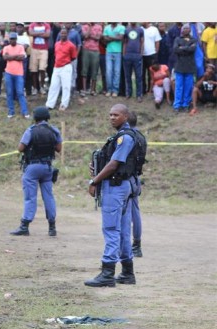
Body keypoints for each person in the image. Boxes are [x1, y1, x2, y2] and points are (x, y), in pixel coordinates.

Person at [85, 104, 139, 287]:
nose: (112, 118)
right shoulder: (123, 136)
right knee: (122, 230)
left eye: (116, 115)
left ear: (125, 116)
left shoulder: (125, 137)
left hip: (116, 187)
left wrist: (94, 181)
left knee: (111, 229)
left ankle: (107, 273)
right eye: (110, 115)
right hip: (122, 186)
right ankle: (127, 272)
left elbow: (114, 164)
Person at [10, 106, 62, 237]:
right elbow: (58, 148)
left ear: (35, 118)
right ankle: (52, 227)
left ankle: (25, 225)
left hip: (32, 167)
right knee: (48, 197)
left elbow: (20, 148)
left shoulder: (31, 130)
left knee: (30, 197)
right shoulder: (54, 130)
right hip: (47, 167)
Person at [45, 28, 78, 112]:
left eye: (65, 33)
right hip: (56, 67)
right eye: (62, 33)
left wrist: (65, 62)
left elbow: (73, 57)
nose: (63, 35)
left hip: (66, 67)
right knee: (53, 86)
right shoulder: (57, 44)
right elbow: (56, 55)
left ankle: (64, 104)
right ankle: (50, 104)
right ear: (60, 34)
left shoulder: (71, 45)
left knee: (66, 86)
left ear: (67, 34)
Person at [126, 111, 143, 258]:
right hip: (136, 177)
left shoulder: (127, 137)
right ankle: (136, 244)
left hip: (126, 179)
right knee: (135, 212)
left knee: (126, 212)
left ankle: (130, 245)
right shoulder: (141, 136)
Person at [2, 32, 30, 119]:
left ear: (16, 39)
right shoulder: (6, 47)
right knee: (9, 93)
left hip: (19, 73)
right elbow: (5, 58)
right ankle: (11, 111)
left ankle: (25, 112)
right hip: (8, 73)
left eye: (14, 39)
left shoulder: (20, 47)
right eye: (11, 39)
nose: (12, 40)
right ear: (9, 39)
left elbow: (22, 57)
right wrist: (16, 56)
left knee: (20, 93)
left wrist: (11, 57)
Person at [173, 24, 197, 113]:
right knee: (179, 87)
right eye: (184, 28)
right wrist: (187, 48)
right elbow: (175, 49)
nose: (186, 30)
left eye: (188, 28)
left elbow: (192, 49)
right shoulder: (177, 39)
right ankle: (177, 105)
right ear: (182, 30)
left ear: (190, 30)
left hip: (190, 67)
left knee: (188, 87)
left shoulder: (193, 39)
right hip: (179, 66)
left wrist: (182, 48)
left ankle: (185, 105)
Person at [122, 22, 144, 101]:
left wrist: (141, 53)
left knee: (138, 76)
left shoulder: (140, 30)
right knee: (127, 76)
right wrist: (124, 54)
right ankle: (128, 93)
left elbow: (142, 41)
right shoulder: (126, 30)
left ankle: (139, 95)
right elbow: (124, 42)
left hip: (137, 56)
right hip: (127, 55)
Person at [103, 22, 125, 97]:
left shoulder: (121, 27)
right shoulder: (106, 27)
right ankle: (109, 90)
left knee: (117, 72)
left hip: (118, 52)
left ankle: (115, 90)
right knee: (109, 71)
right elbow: (104, 39)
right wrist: (115, 37)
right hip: (108, 52)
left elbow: (121, 38)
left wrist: (110, 37)